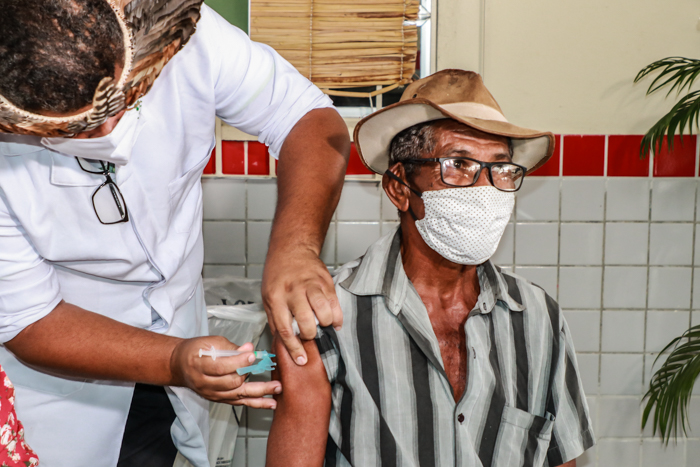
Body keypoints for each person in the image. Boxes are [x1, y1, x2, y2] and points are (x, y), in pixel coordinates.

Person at [0, 0, 348, 466]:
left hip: (180, 331)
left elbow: (307, 118)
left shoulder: (187, 38)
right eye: (75, 129)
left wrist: (296, 247)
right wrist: (174, 360)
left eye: (125, 99)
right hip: (62, 377)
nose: (110, 132)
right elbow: (30, 320)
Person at [267, 70, 595, 467]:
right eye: (459, 164)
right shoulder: (324, 315)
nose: (485, 189)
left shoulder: (538, 317)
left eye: (501, 168)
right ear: (399, 187)